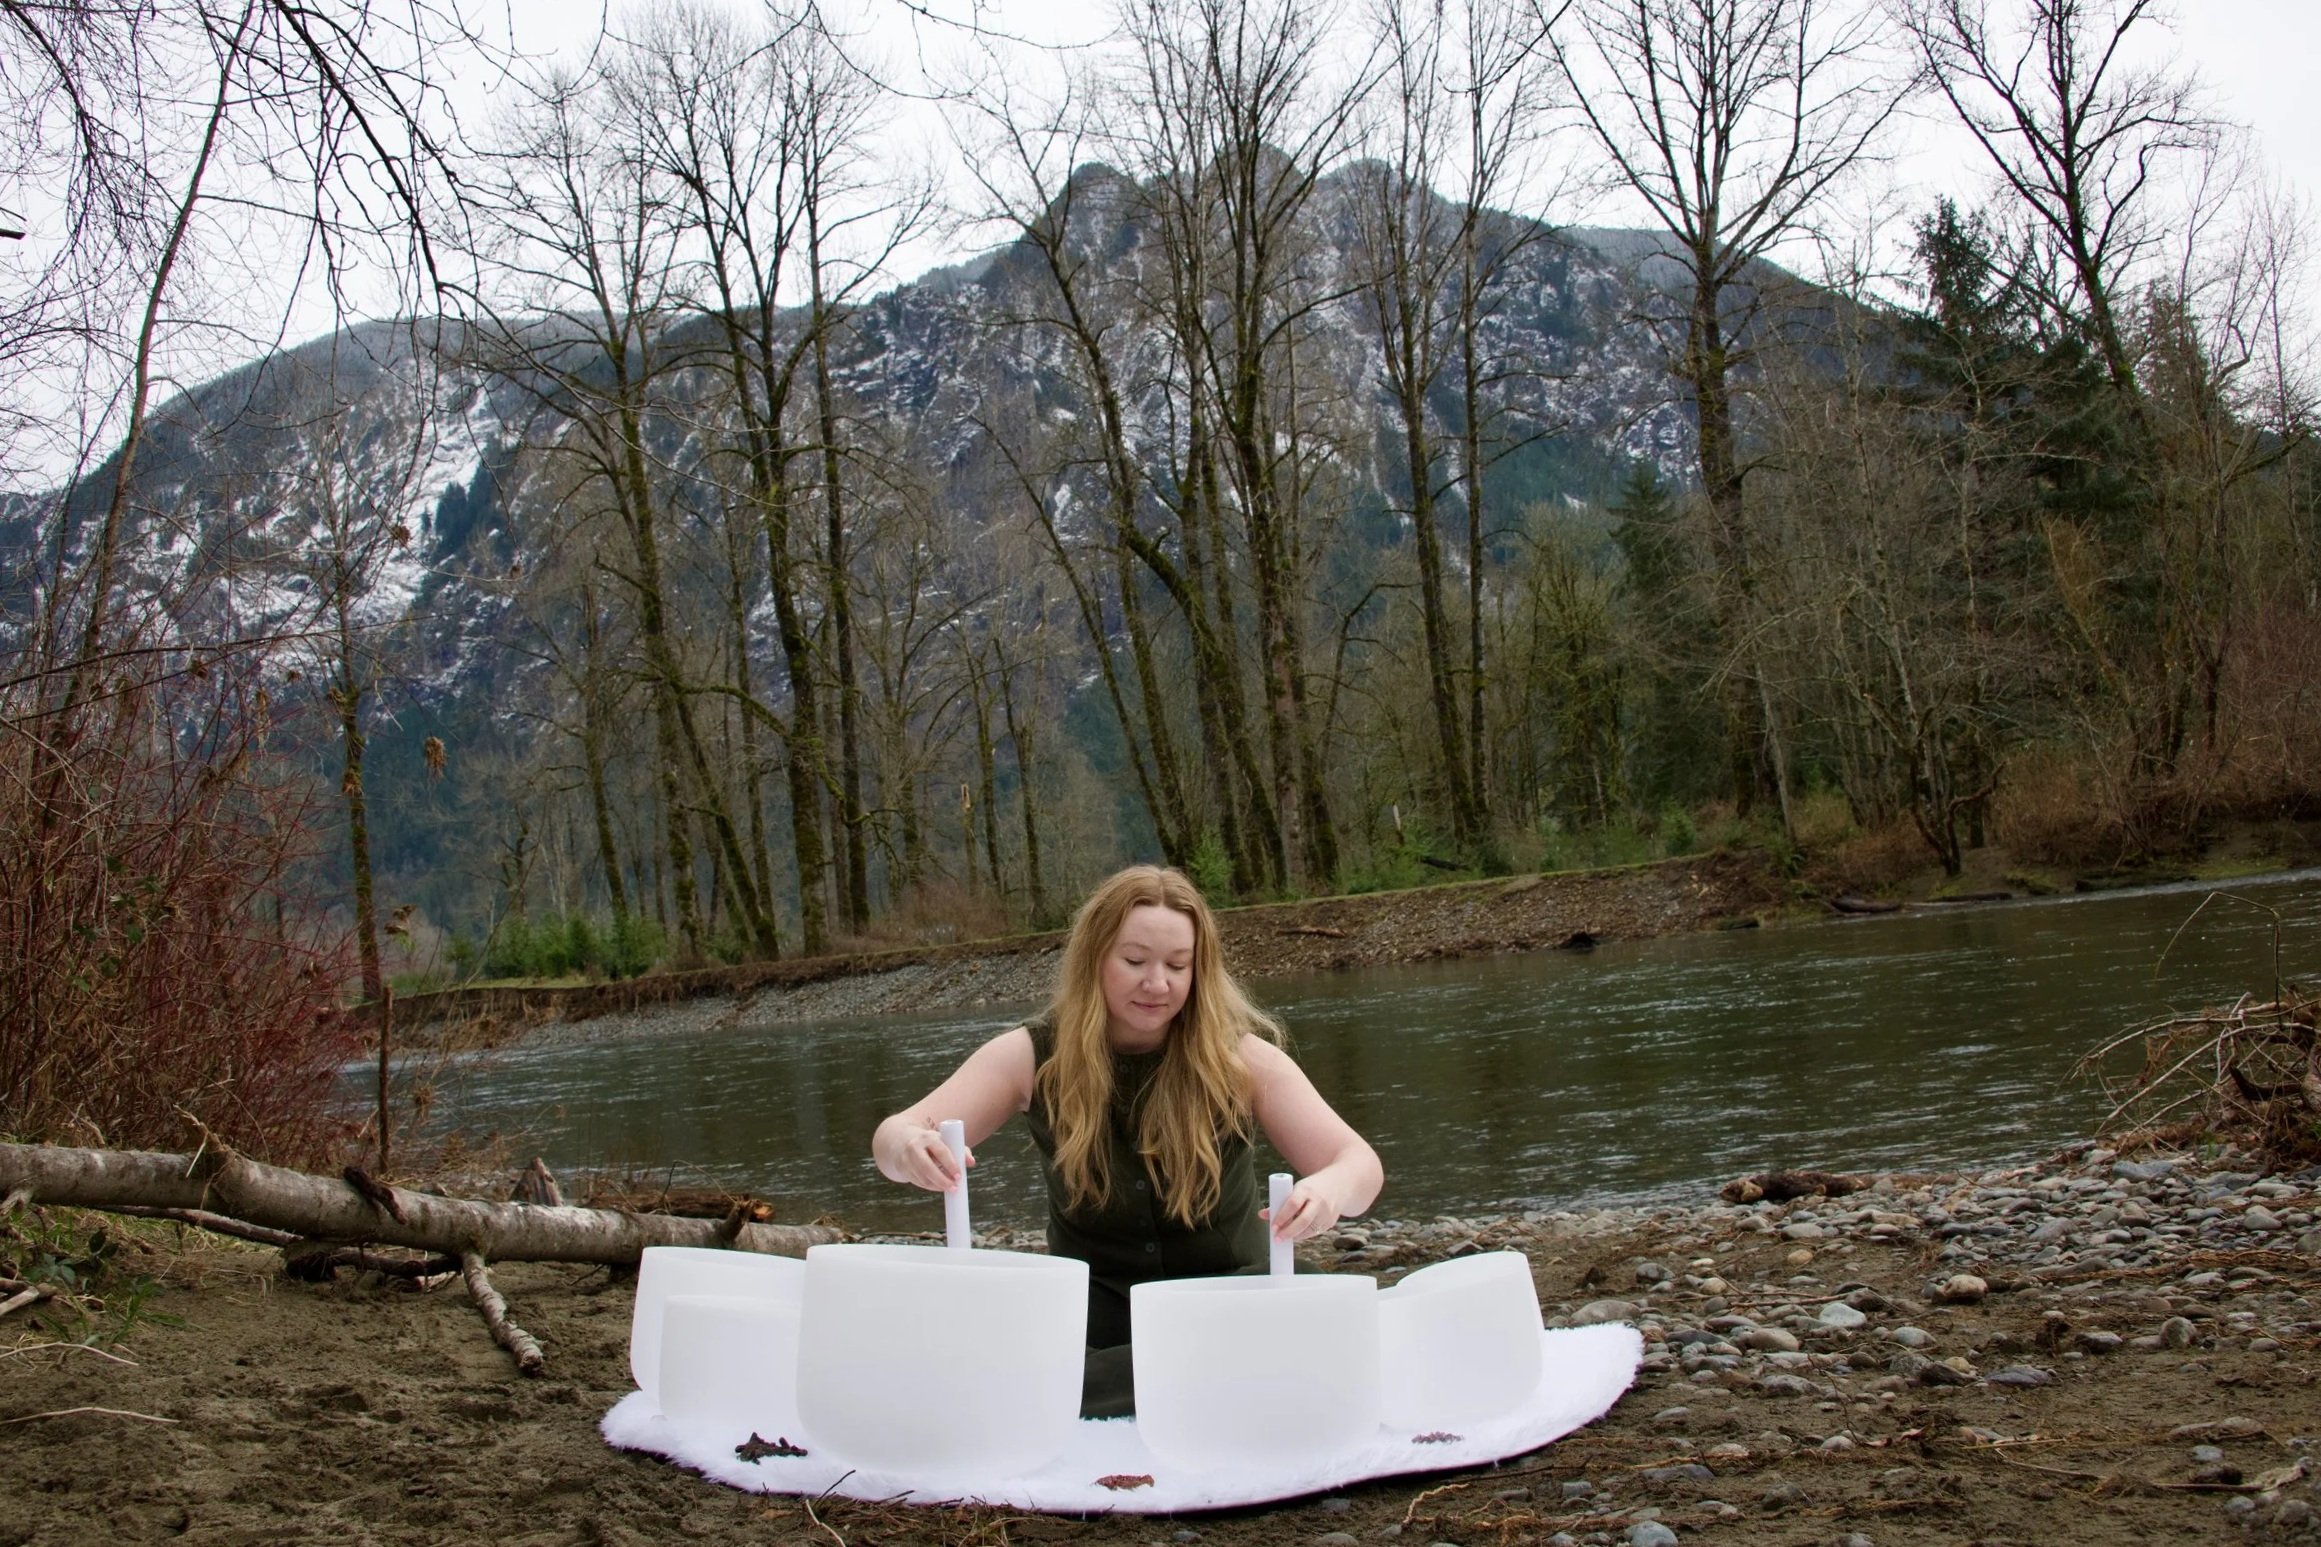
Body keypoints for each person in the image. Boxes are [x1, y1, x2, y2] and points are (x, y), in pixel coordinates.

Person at [872, 864, 1384, 1417]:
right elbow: (895, 1134)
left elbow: (1359, 1165)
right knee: (1000, 1335)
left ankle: (1106, 1390)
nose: (1157, 983)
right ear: (1096, 958)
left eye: (1177, 966)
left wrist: (1330, 1189)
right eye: (1135, 961)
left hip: (1231, 1301)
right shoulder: (1027, 1055)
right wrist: (907, 1149)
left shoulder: (1242, 1059)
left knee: (1308, 1300)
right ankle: (1200, 1379)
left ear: (1199, 971)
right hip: (1093, 1317)